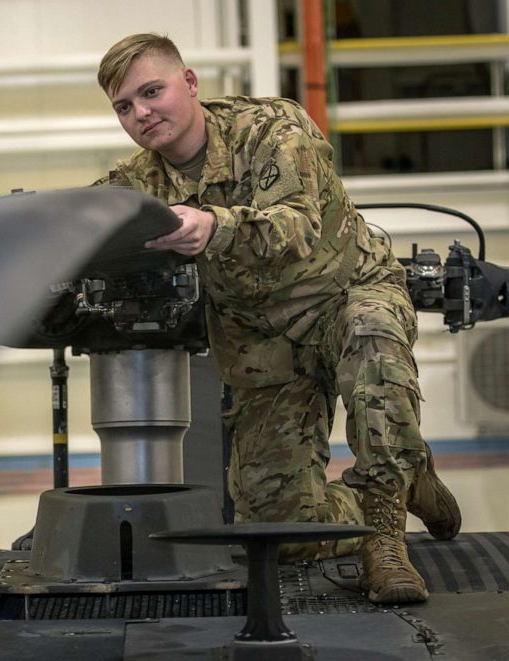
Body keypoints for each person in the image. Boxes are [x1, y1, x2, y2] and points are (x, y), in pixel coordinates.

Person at [93, 33, 460, 604]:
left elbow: (296, 227)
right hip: (260, 340)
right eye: (124, 106)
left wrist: (213, 226)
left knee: (373, 345)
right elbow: (88, 219)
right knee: (281, 530)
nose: (141, 112)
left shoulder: (273, 129)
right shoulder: (140, 182)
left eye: (151, 91)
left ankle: (385, 542)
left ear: (188, 83)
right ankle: (409, 476)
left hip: (346, 294)